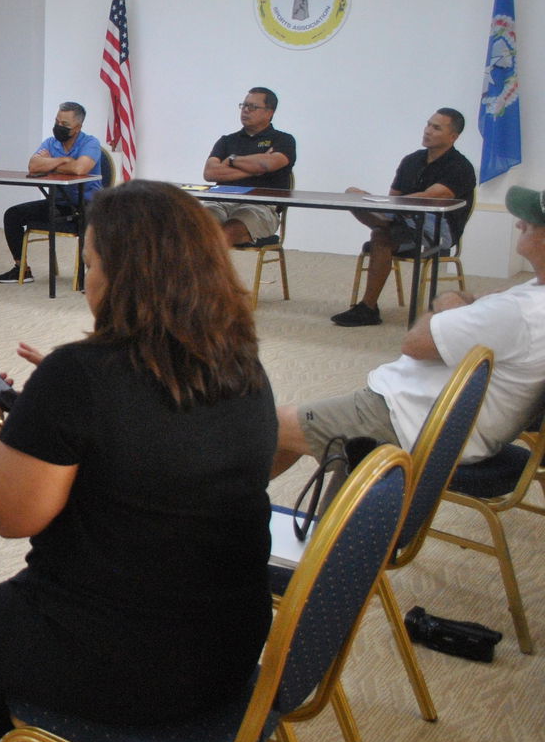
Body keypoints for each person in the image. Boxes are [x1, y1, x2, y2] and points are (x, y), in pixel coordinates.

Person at [0, 181, 276, 742]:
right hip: (232, 644)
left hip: (133, 658)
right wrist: (55, 409)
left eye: (92, 263)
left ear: (123, 275)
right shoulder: (238, 357)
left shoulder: (83, 376)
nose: (87, 279)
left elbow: (10, 513)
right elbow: (146, 431)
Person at [274, 184, 545, 480]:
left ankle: (233, 517)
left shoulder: (521, 313)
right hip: (443, 421)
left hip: (413, 423)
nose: (519, 223)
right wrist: (467, 308)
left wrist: (448, 304)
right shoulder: (531, 296)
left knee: (268, 425)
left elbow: (415, 342)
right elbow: (490, 304)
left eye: (530, 222)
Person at [330, 109, 478, 327]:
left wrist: (383, 206)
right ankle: (368, 307)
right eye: (428, 124)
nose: (427, 131)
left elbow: (431, 197)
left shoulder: (460, 166)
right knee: (354, 195)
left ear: (453, 137)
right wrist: (377, 204)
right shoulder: (411, 160)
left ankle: (368, 309)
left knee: (382, 236)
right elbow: (394, 199)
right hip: (402, 219)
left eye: (436, 128)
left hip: (437, 230)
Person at [0, 101, 103, 283]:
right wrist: (63, 160)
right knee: (12, 215)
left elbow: (79, 169)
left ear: (78, 127)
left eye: (65, 125)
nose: (59, 127)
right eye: (57, 122)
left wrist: (50, 164)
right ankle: (21, 268)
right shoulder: (50, 142)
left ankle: (91, 276)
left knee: (90, 224)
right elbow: (33, 166)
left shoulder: (90, 143)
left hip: (88, 202)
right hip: (59, 202)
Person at [201, 87, 296, 247]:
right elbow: (210, 173)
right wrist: (255, 169)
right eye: (243, 105)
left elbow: (268, 164)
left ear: (269, 112)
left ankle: (213, 272)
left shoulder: (283, 140)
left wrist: (231, 161)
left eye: (252, 107)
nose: (245, 110)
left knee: (226, 234)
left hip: (260, 206)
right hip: (220, 201)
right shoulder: (227, 140)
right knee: (192, 229)